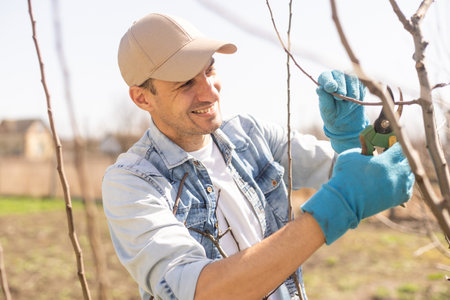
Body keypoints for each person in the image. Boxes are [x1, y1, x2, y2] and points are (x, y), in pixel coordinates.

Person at [102, 13, 414, 300]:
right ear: (142, 97)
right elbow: (203, 292)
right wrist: (336, 209)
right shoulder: (132, 181)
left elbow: (361, 175)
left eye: (209, 69)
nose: (210, 92)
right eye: (186, 83)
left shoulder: (252, 136)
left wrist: (354, 141)